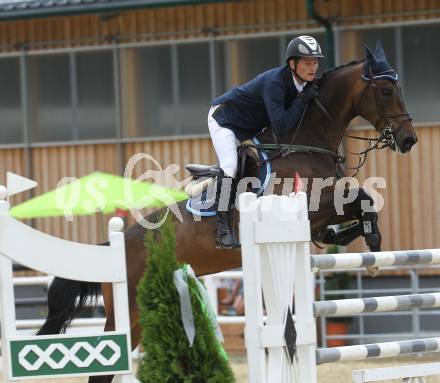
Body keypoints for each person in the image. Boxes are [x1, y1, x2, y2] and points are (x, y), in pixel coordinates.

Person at [208, 35, 324, 249]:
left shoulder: (304, 83)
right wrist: (300, 101)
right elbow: (281, 127)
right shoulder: (275, 83)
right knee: (230, 166)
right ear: (293, 63)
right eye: (307, 62)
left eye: (315, 61)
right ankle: (222, 228)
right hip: (225, 120)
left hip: (251, 127)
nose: (313, 67)